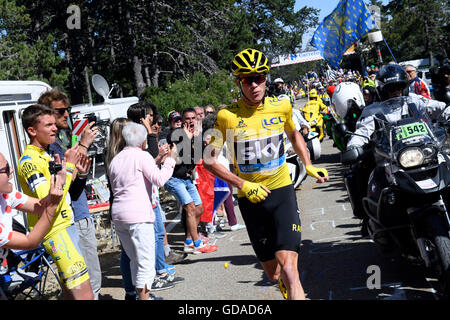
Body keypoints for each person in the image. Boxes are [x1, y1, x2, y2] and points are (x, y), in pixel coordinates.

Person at [203, 48, 329, 300]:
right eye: (247, 80)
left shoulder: (281, 105)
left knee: (291, 269)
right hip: (251, 199)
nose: (254, 85)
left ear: (266, 79)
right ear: (238, 82)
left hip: (282, 191)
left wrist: (308, 163)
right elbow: (208, 159)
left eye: (259, 78)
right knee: (273, 273)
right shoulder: (226, 116)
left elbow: (294, 134)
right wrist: (242, 184)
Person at [17, 104, 94, 300]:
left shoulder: (45, 153)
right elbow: (50, 198)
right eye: (49, 125)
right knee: (85, 293)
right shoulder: (29, 161)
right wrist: (68, 166)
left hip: (64, 224)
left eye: (54, 124)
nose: (55, 128)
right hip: (55, 230)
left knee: (70, 291)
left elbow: (61, 186)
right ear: (32, 131)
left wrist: (76, 171)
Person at [37, 89, 102, 300]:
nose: (67, 115)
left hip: (75, 214)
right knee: (87, 281)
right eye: (61, 111)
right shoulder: (50, 148)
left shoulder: (59, 142)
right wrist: (83, 145)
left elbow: (74, 186)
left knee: (73, 283)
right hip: (71, 219)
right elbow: (61, 185)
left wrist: (82, 174)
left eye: (68, 110)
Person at [108, 122, 177, 301]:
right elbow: (159, 179)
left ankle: (139, 296)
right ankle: (144, 298)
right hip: (138, 214)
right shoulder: (142, 155)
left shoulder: (116, 159)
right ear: (143, 141)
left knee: (134, 259)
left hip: (119, 214)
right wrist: (170, 160)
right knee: (146, 263)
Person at [165, 108, 217, 254]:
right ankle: (197, 244)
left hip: (187, 179)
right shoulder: (175, 134)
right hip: (174, 179)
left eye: (193, 118)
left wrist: (199, 139)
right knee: (190, 208)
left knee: (199, 208)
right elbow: (181, 156)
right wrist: (189, 139)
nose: (190, 121)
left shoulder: (195, 135)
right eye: (187, 118)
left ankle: (188, 241)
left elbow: (197, 158)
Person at [0, 152, 68, 265]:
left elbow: (41, 206)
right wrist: (52, 207)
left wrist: (58, 184)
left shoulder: (5, 195)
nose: (12, 170)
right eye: (6, 169)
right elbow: (30, 242)